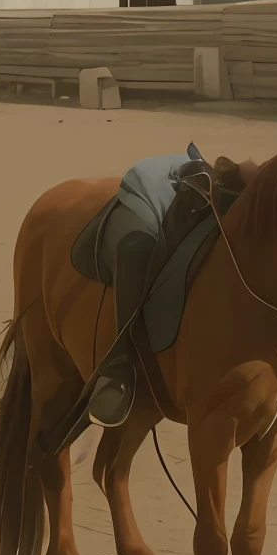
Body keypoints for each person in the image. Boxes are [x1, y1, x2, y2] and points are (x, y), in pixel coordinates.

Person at [85, 147, 213, 427]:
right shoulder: (158, 194)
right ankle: (118, 364)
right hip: (146, 191)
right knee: (137, 250)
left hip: (197, 176)